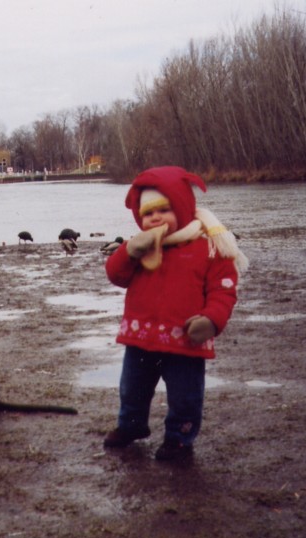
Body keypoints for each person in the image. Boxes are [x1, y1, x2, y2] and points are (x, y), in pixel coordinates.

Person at [103, 166, 246, 460]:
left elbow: (223, 289)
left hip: (186, 341)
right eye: (148, 213)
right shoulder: (141, 246)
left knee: (185, 397)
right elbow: (116, 276)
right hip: (141, 338)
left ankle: (179, 439)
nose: (155, 218)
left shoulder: (208, 247)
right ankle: (131, 425)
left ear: (182, 207)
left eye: (164, 210)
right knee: (132, 389)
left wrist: (212, 319)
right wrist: (128, 251)